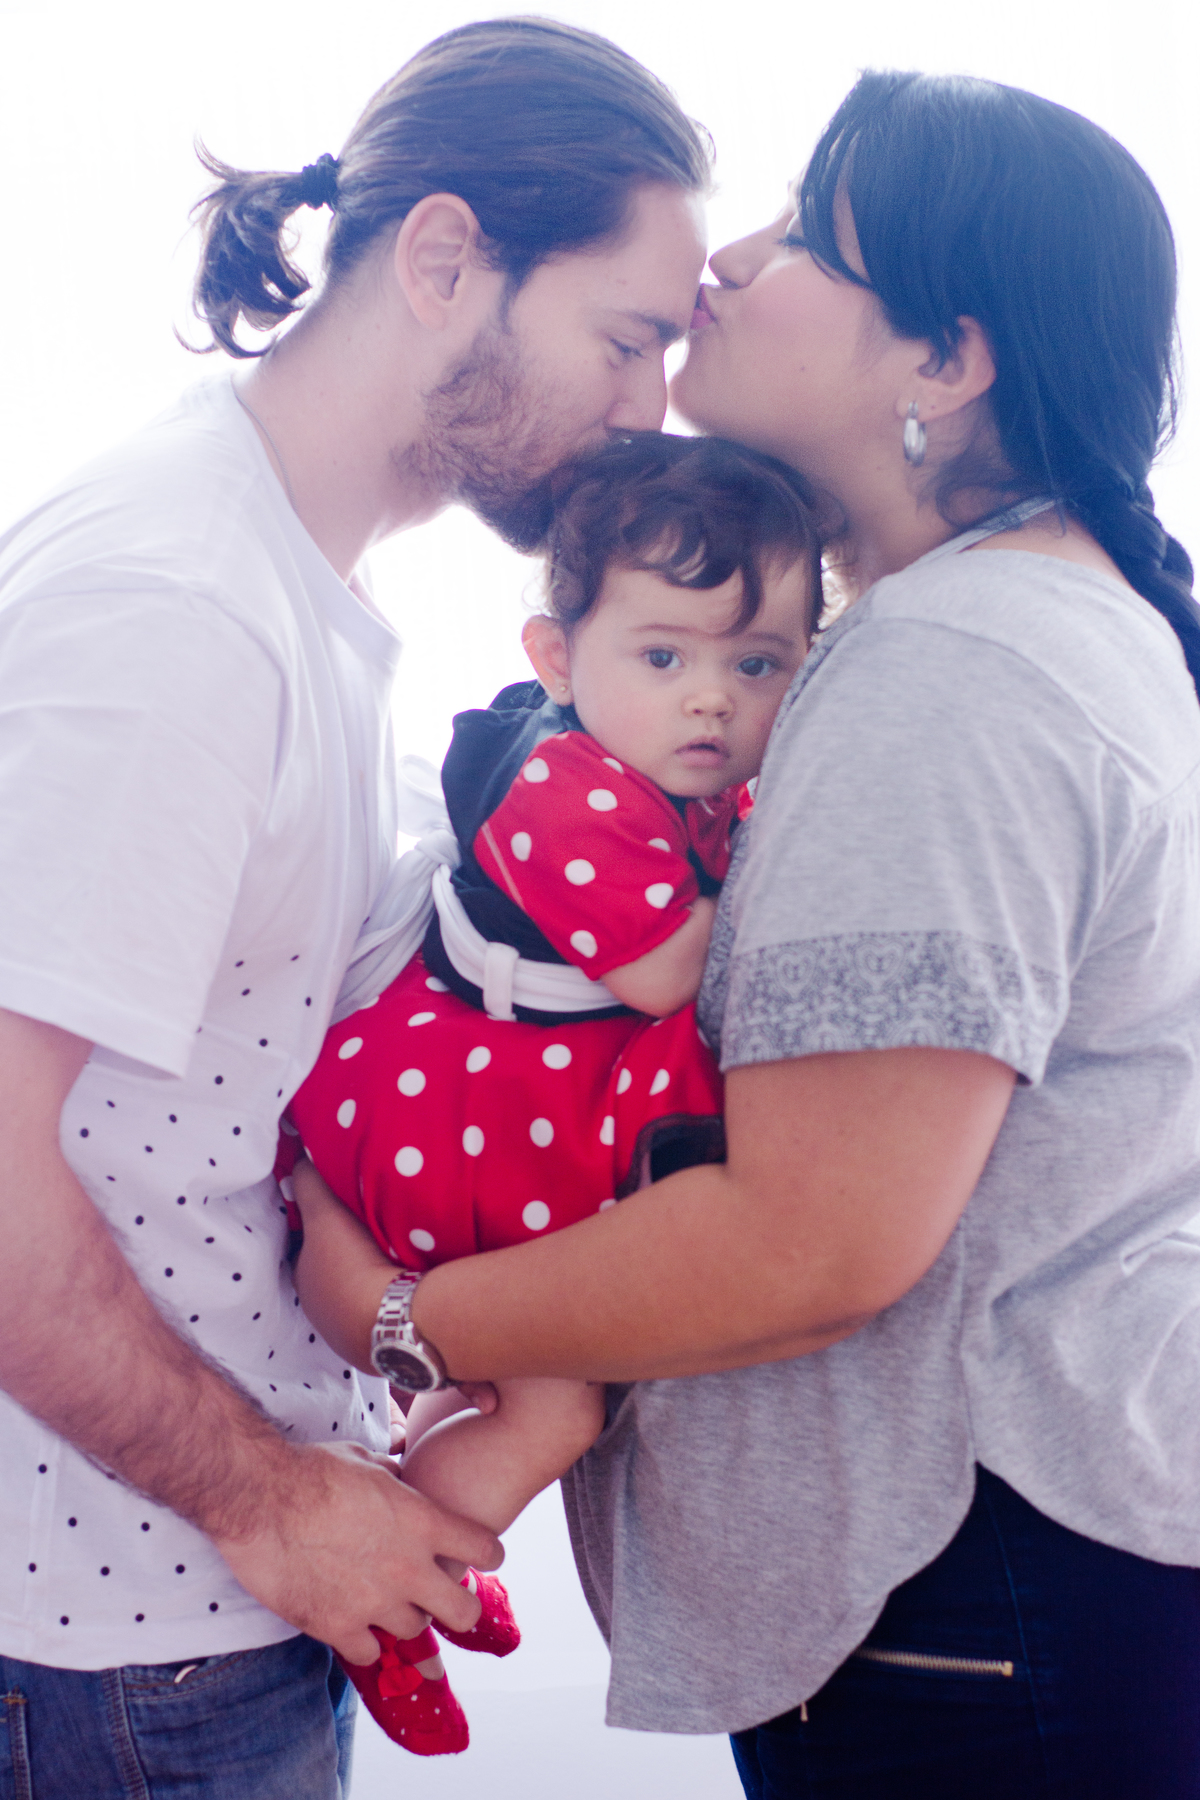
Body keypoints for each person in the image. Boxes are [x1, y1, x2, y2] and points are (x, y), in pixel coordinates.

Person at [292, 68, 1200, 1799]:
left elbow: (809, 1244)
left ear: (946, 360)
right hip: (1000, 1586)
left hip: (970, 1604)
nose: (727, 264)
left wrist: (404, 1316)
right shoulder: (1022, 623)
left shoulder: (953, 668)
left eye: (801, 238)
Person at [0, 20, 709, 1796]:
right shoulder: (181, 609)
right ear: (446, 258)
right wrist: (269, 1500)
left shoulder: (290, 579)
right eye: (627, 340)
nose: (648, 409)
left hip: (196, 1616)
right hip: (117, 1646)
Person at [286, 430, 818, 1755]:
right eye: (664, 658)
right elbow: (668, 971)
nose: (712, 701)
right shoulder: (564, 789)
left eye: (757, 666)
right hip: (467, 1119)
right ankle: (399, 1582)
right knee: (558, 1403)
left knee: (520, 1389)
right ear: (557, 659)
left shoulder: (653, 773)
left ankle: (422, 1506)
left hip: (513, 1095)